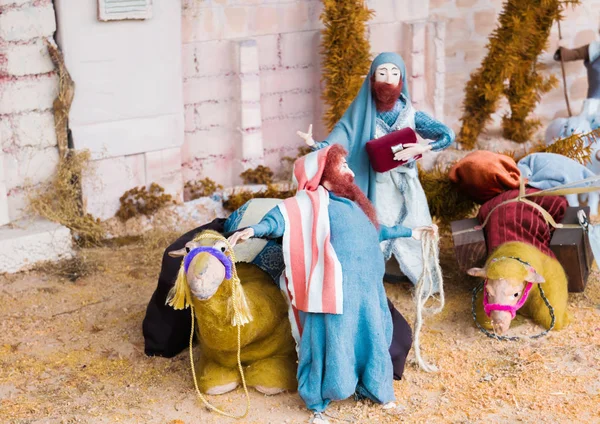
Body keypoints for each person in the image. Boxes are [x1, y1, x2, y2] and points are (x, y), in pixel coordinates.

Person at [229, 145, 433, 424]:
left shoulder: (358, 206)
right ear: (322, 174)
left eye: (348, 166)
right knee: (329, 342)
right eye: (343, 167)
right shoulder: (307, 205)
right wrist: (252, 230)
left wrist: (413, 230)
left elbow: (380, 230)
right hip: (333, 294)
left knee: (374, 337)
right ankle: (318, 402)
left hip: (368, 293)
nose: (350, 171)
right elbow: (279, 221)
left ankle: (376, 389)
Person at [296, 52, 454, 293]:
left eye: (394, 73)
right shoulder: (362, 115)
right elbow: (340, 138)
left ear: (402, 78)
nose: (388, 79)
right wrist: (315, 144)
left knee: (416, 223)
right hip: (378, 184)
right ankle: (377, 275)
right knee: (378, 224)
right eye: (382, 73)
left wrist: (423, 146)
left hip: (407, 182)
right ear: (372, 78)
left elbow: (446, 134)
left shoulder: (411, 114)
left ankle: (421, 278)